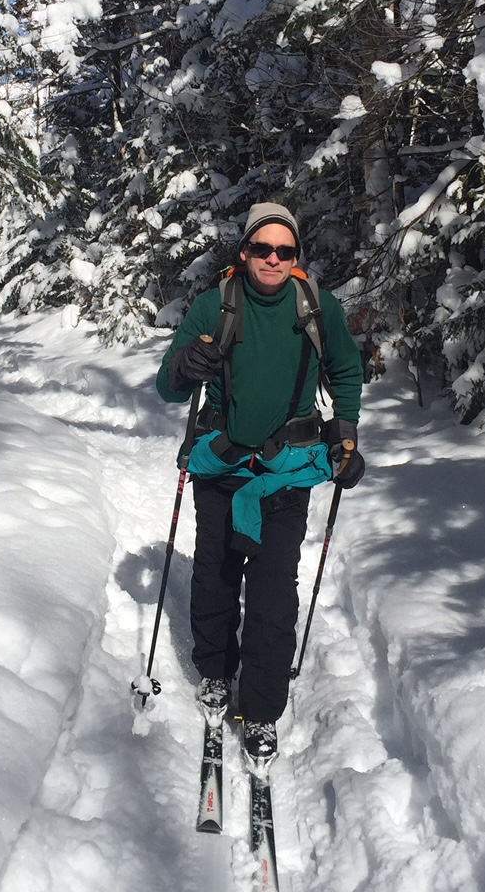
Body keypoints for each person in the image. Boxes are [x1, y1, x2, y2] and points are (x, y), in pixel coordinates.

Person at [156, 201, 365, 766]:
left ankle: (263, 709)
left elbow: (346, 370)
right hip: (221, 465)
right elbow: (168, 387)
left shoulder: (318, 308)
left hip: (288, 472)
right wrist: (185, 368)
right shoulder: (214, 306)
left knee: (274, 595)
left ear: (296, 257)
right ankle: (216, 674)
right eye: (261, 248)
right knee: (215, 574)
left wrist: (343, 435)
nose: (272, 259)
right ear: (244, 251)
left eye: (285, 250)